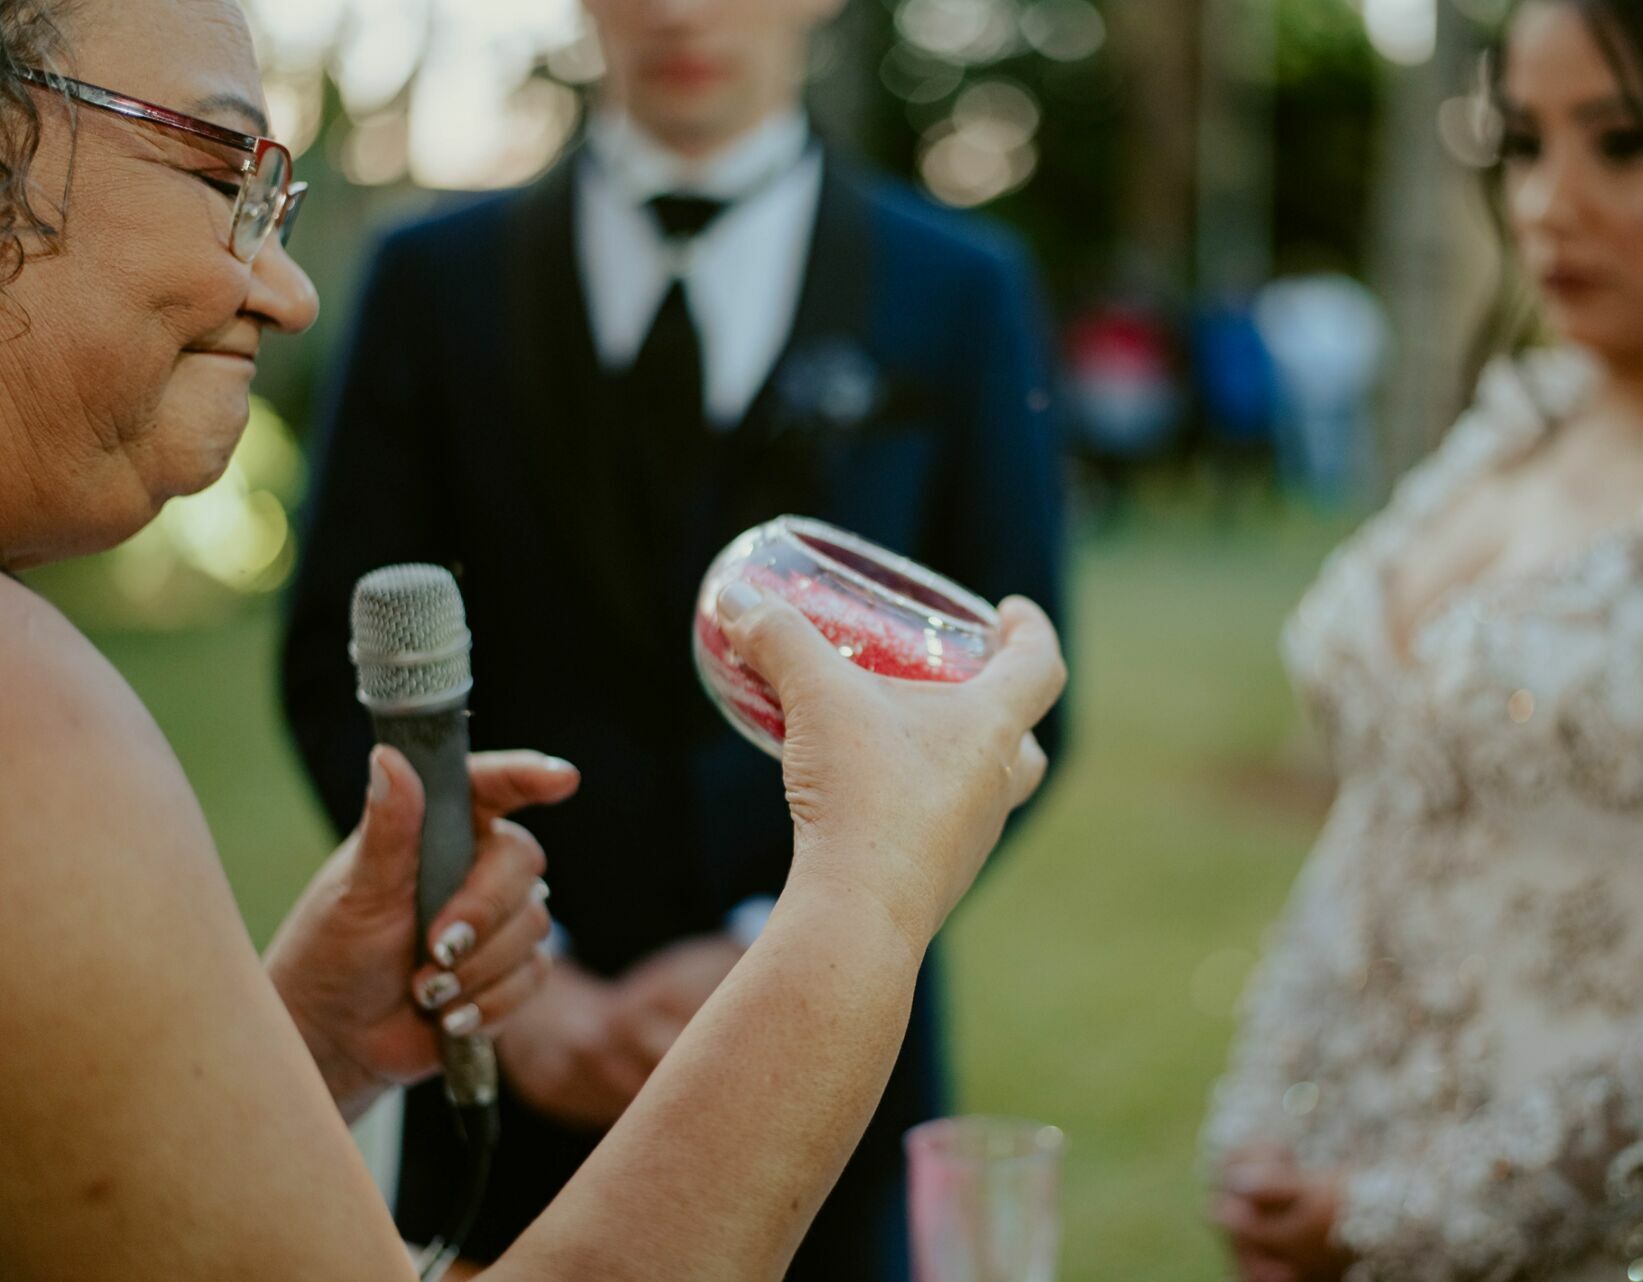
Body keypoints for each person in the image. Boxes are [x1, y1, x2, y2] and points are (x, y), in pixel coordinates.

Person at [0, 1, 1066, 1277]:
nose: (285, 292)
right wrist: (847, 913)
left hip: (833, 1143)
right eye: (219, 170)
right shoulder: (38, 736)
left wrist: (303, 1044)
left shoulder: (962, 288)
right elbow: (341, 655)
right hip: (499, 1063)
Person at [1203, 1, 1643, 1279]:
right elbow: (1385, 809)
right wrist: (1272, 1137)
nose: (1548, 202)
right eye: (1526, 143)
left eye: (1623, 144)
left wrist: (1406, 1214)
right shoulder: (1522, 417)